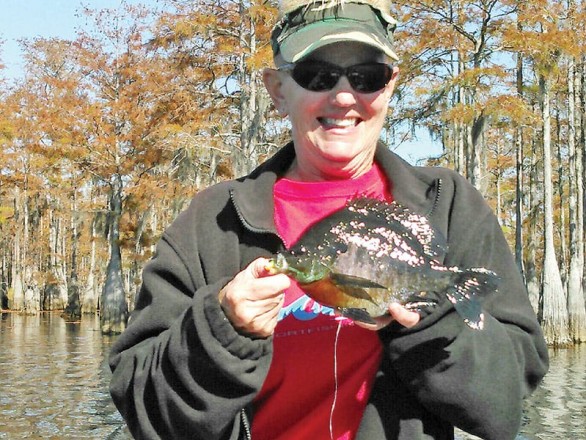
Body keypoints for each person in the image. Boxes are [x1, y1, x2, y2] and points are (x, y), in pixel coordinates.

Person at [109, 0, 549, 439]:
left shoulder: (448, 204)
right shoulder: (212, 220)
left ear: (390, 86)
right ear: (279, 90)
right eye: (317, 75)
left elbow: (504, 404)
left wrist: (431, 321)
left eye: (366, 77)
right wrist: (222, 329)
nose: (343, 96)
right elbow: (144, 408)